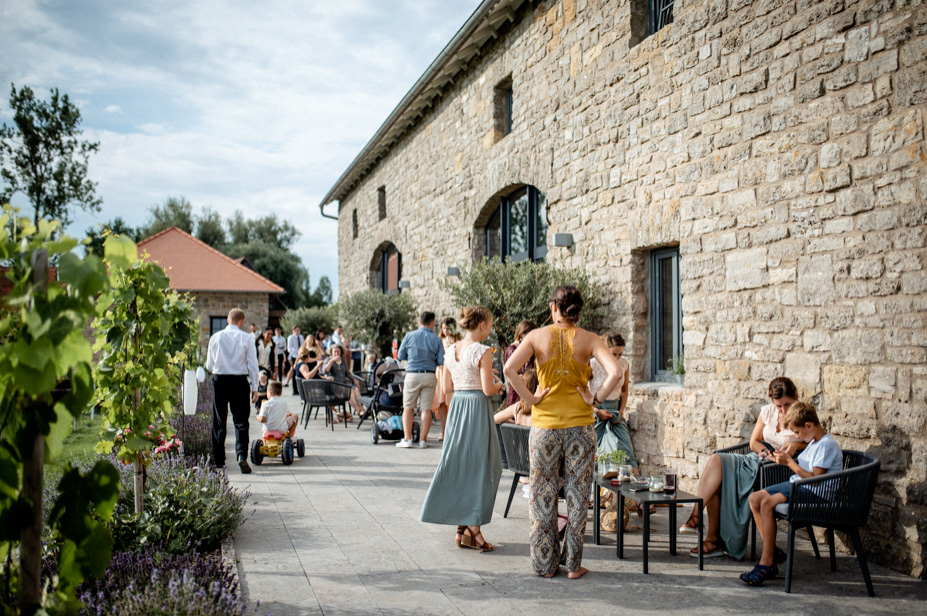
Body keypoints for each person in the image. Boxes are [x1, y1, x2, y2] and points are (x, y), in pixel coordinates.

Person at [504, 285, 622, 579]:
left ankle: (544, 565)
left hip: (544, 427)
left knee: (542, 494)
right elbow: (616, 372)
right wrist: (594, 399)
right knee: (578, 495)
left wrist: (530, 400)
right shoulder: (590, 339)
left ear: (552, 307)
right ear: (578, 310)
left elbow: (509, 369)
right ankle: (572, 565)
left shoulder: (535, 336)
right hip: (580, 426)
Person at [679, 377, 805, 560]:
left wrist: (797, 446)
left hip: (777, 473)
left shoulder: (802, 414)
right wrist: (766, 451)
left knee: (718, 477)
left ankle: (703, 528)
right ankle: (704, 529)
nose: (783, 410)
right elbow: (754, 442)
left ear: (796, 396)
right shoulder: (768, 412)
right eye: (779, 406)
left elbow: (816, 440)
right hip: (758, 460)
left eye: (787, 404)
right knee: (716, 460)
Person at [420, 306, 504, 551]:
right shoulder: (483, 351)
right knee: (485, 467)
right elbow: (488, 390)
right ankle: (473, 528)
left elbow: (446, 387)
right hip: (477, 408)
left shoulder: (450, 350)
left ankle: (462, 527)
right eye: (489, 324)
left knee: (462, 464)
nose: (490, 328)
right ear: (481, 325)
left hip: (458, 407)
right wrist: (499, 384)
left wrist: (479, 378)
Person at [741, 401, 843, 586]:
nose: (796, 437)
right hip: (797, 485)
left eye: (797, 432)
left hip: (815, 492)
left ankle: (766, 563)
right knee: (755, 498)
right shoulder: (813, 440)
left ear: (809, 425)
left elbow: (816, 479)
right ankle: (773, 553)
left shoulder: (826, 445)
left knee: (767, 503)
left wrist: (789, 463)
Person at [206, 308, 260, 474]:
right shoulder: (246, 338)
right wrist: (255, 388)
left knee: (219, 421)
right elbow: (252, 364)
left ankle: (220, 461)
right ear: (241, 322)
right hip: (239, 381)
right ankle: (241, 456)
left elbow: (208, 365)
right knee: (241, 422)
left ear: (228, 320)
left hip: (220, 380)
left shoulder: (216, 337)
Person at [396, 311, 444, 448]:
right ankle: (423, 441)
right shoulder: (437, 340)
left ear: (420, 322)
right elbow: (441, 361)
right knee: (426, 409)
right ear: (432, 323)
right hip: (429, 375)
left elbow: (401, 355)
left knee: (408, 407)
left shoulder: (409, 336)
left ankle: (407, 439)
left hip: (412, 374)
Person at [589, 332, 635, 472]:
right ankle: (599, 492)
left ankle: (629, 490)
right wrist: (597, 412)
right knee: (596, 455)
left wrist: (621, 411)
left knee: (626, 451)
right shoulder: (592, 364)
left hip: (615, 413)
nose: (617, 358)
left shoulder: (624, 363)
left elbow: (624, 390)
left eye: (620, 354)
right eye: (614, 354)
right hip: (595, 413)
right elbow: (582, 394)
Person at [433, 317, 461, 441]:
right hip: (441, 372)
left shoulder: (459, 341)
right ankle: (444, 431)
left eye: (449, 328)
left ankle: (454, 431)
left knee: (454, 401)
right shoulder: (439, 340)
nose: (446, 331)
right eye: (444, 328)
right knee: (442, 403)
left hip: (453, 372)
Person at [322, 344, 364, 420]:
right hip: (335, 386)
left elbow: (347, 373)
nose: (337, 353)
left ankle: (362, 409)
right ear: (331, 352)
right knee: (350, 391)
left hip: (344, 384)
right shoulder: (328, 360)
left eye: (338, 352)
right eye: (335, 352)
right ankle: (358, 411)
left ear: (341, 352)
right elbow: (325, 371)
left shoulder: (342, 360)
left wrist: (354, 380)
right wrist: (332, 360)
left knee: (356, 389)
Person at [503, 320, 536, 407]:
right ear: (522, 334)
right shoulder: (512, 350)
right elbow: (512, 374)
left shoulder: (530, 348)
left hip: (530, 390)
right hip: (517, 391)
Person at [286, 326, 304, 394]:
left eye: (298, 330)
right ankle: (295, 389)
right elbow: (289, 348)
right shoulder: (291, 337)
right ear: (293, 331)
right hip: (294, 356)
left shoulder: (301, 337)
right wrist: (296, 354)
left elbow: (302, 346)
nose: (297, 332)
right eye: (296, 330)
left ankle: (300, 389)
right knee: (294, 372)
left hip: (301, 356)